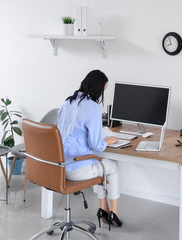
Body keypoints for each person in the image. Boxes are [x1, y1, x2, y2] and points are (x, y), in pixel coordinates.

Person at [57, 70, 122, 231]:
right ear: (97, 89)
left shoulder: (67, 103)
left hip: (58, 166)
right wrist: (107, 140)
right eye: (103, 90)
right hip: (76, 169)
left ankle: (103, 209)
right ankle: (114, 212)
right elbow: (96, 144)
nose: (102, 94)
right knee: (112, 165)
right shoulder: (93, 108)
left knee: (98, 162)